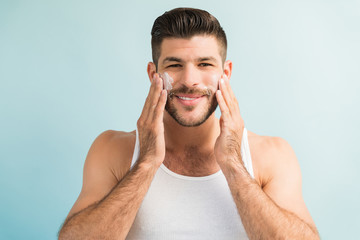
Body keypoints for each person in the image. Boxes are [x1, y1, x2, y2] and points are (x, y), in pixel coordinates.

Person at [58, 8, 320, 240]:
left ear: (225, 73)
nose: (190, 80)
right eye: (174, 65)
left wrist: (233, 164)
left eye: (204, 64)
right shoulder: (112, 151)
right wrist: (147, 163)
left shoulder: (270, 155)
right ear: (153, 74)